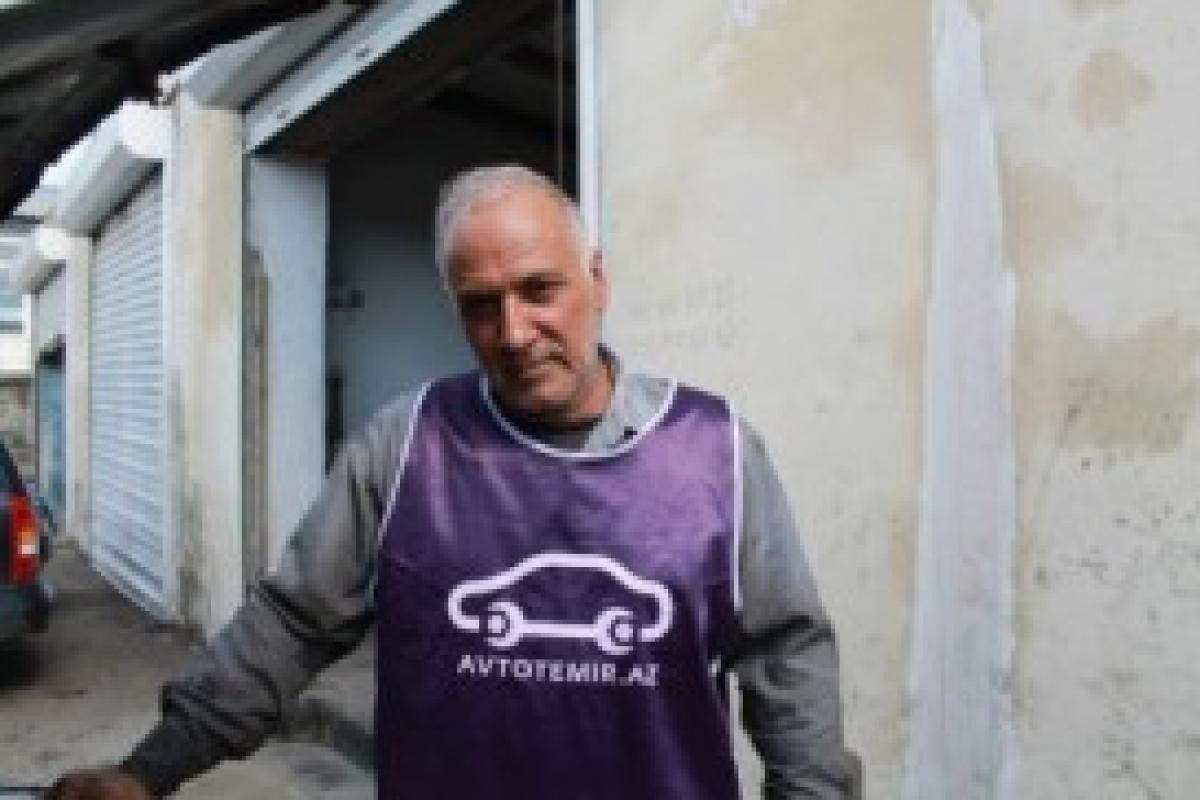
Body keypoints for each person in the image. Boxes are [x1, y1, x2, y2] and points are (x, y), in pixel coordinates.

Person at [51, 165, 859, 799]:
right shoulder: (404, 447)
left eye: (540, 290)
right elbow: (292, 622)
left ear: (597, 279)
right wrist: (149, 770)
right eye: (480, 305)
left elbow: (788, 657)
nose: (514, 332)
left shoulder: (712, 451)